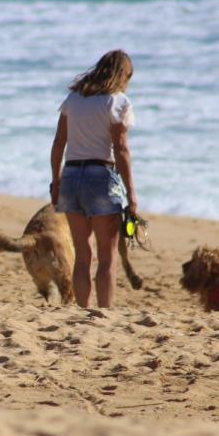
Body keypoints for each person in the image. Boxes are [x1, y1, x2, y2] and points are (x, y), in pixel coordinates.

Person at [50, 49, 138, 309]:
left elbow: (58, 144)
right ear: (122, 75)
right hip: (101, 177)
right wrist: (132, 195)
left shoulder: (73, 99)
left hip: (72, 175)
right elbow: (121, 149)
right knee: (107, 256)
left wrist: (56, 183)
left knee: (82, 255)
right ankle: (104, 313)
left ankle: (82, 311)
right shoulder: (118, 102)